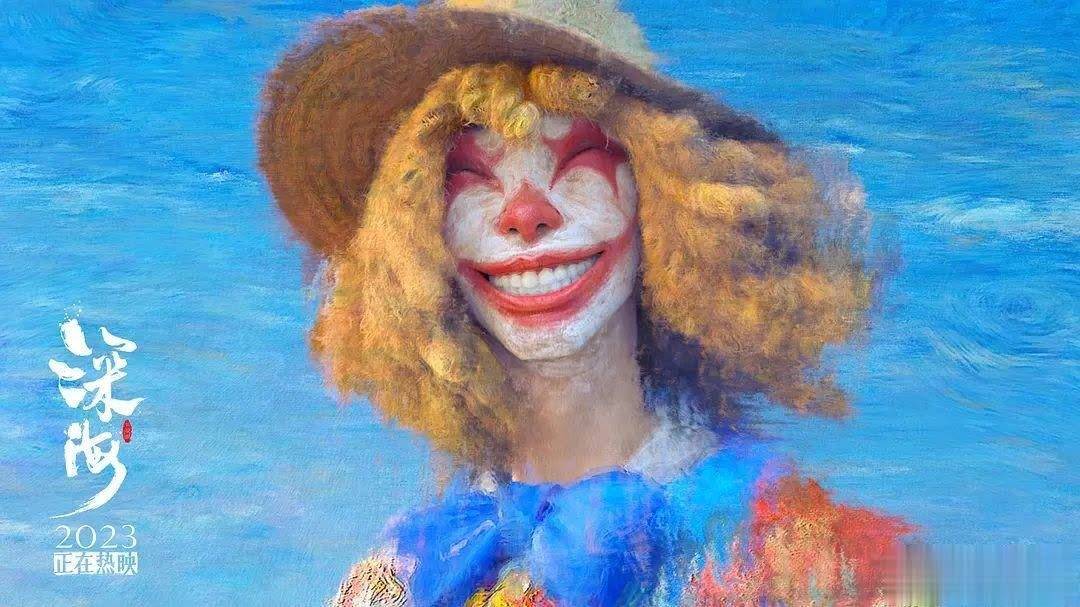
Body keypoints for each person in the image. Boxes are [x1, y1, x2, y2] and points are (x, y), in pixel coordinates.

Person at [258, 1, 916, 604]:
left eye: (575, 161)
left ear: (663, 196)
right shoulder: (399, 574)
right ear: (419, 229)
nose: (525, 214)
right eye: (474, 177)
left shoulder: (808, 556)